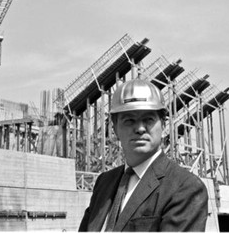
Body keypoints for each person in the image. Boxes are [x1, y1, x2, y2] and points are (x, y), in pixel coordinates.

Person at [78, 78, 208, 232]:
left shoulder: (185, 188)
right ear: (114, 128)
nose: (140, 128)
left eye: (148, 119)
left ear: (164, 125)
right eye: (129, 120)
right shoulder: (104, 183)